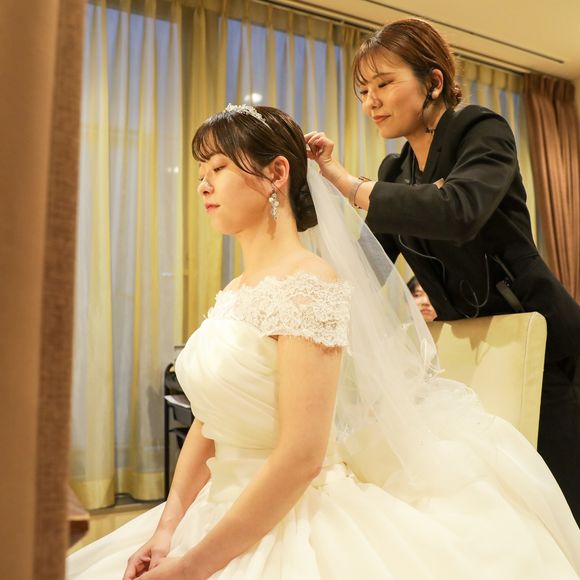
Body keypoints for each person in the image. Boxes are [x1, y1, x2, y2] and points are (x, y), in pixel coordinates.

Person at [67, 104, 580, 580]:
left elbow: (301, 457)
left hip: (291, 513)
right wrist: (167, 527)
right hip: (211, 508)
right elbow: (208, 420)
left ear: (277, 173)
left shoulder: (310, 286)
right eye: (202, 172)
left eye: (219, 167)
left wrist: (193, 565)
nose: (204, 184)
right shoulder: (235, 290)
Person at [305, 17, 580, 523]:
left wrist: (347, 183)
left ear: (433, 82)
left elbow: (458, 211)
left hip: (542, 343)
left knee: (561, 498)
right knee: (502, 502)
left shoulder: (480, 131)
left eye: (384, 84)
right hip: (471, 350)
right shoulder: (396, 172)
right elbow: (368, 266)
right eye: (363, 91)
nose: (370, 102)